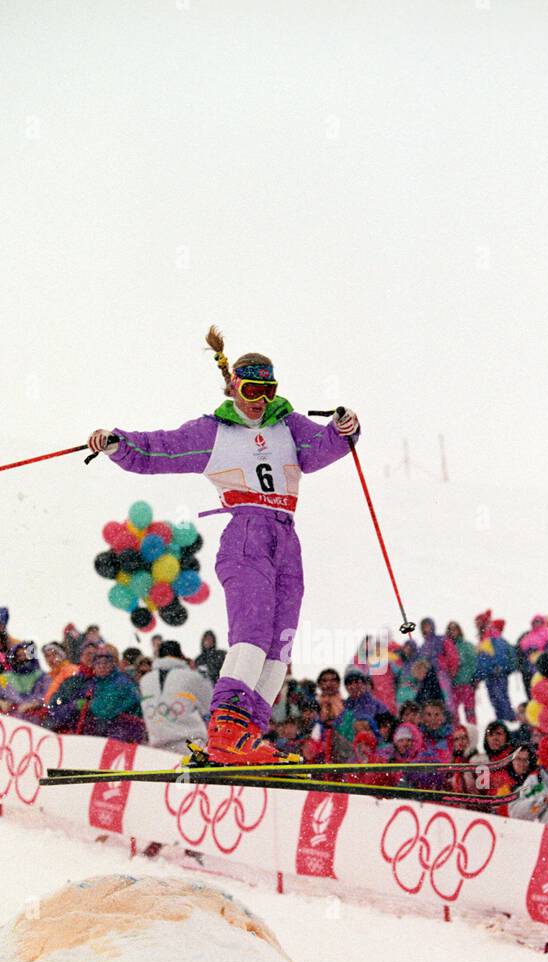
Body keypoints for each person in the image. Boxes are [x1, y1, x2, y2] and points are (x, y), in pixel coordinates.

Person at [88, 325, 358, 763]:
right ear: (234, 386)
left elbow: (323, 447)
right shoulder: (214, 431)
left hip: (286, 537)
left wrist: (345, 429)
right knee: (251, 635)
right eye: (251, 388)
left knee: (279, 645)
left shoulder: (288, 425)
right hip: (248, 533)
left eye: (268, 389)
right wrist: (119, 445)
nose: (260, 399)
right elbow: (158, 451)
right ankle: (225, 731)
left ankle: (248, 733)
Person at [47, 646, 147, 742]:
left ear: (113, 664)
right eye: (98, 663)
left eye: (106, 663)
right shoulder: (91, 682)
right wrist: (74, 706)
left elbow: (104, 710)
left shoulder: (120, 682)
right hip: (104, 734)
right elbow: (55, 705)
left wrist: (87, 705)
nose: (102, 666)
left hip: (126, 733)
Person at [138, 639, 212, 752]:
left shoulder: (145, 680)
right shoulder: (192, 677)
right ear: (181, 655)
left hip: (157, 747)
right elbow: (210, 706)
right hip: (190, 745)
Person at [0, 641, 50, 719]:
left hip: (35, 723)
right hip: (11, 723)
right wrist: (0, 703)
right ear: (14, 657)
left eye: (26, 655)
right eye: (19, 655)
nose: (23, 658)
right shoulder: (5, 678)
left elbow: (49, 696)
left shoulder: (42, 676)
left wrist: (35, 703)